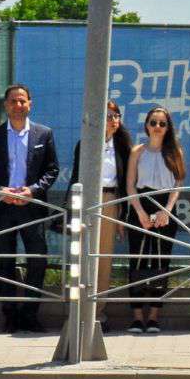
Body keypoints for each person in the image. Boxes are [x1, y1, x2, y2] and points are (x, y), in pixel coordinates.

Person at [0, 84, 61, 334]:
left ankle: (30, 314)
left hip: (31, 206)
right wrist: (0, 191)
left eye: (22, 101)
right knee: (5, 261)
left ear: (30, 104)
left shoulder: (43, 133)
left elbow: (52, 170)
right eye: (13, 101)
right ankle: (10, 315)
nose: (18, 105)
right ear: (6, 105)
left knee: (37, 259)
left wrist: (32, 191)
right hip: (2, 207)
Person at [72, 101, 133, 331]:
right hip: (88, 200)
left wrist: (122, 214)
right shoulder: (86, 143)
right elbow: (76, 176)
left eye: (116, 115)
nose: (113, 120)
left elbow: (126, 184)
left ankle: (97, 312)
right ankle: (79, 311)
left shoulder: (123, 146)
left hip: (110, 201)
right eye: (108, 115)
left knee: (103, 258)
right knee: (82, 256)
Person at [126, 106, 185, 334]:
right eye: (153, 122)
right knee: (138, 260)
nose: (157, 127)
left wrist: (167, 211)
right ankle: (137, 317)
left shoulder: (175, 151)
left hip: (165, 208)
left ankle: (153, 317)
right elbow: (130, 185)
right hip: (140, 205)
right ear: (146, 125)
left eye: (162, 123)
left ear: (168, 127)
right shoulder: (137, 151)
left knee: (161, 262)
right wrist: (140, 212)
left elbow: (178, 185)